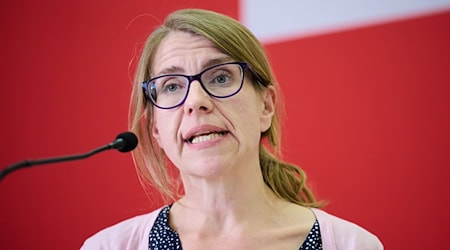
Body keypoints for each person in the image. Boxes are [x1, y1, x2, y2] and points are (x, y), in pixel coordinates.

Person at [81, 8, 383, 250]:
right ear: (155, 128)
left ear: (266, 106)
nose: (196, 101)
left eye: (221, 77)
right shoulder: (108, 246)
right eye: (171, 85)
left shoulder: (351, 245)